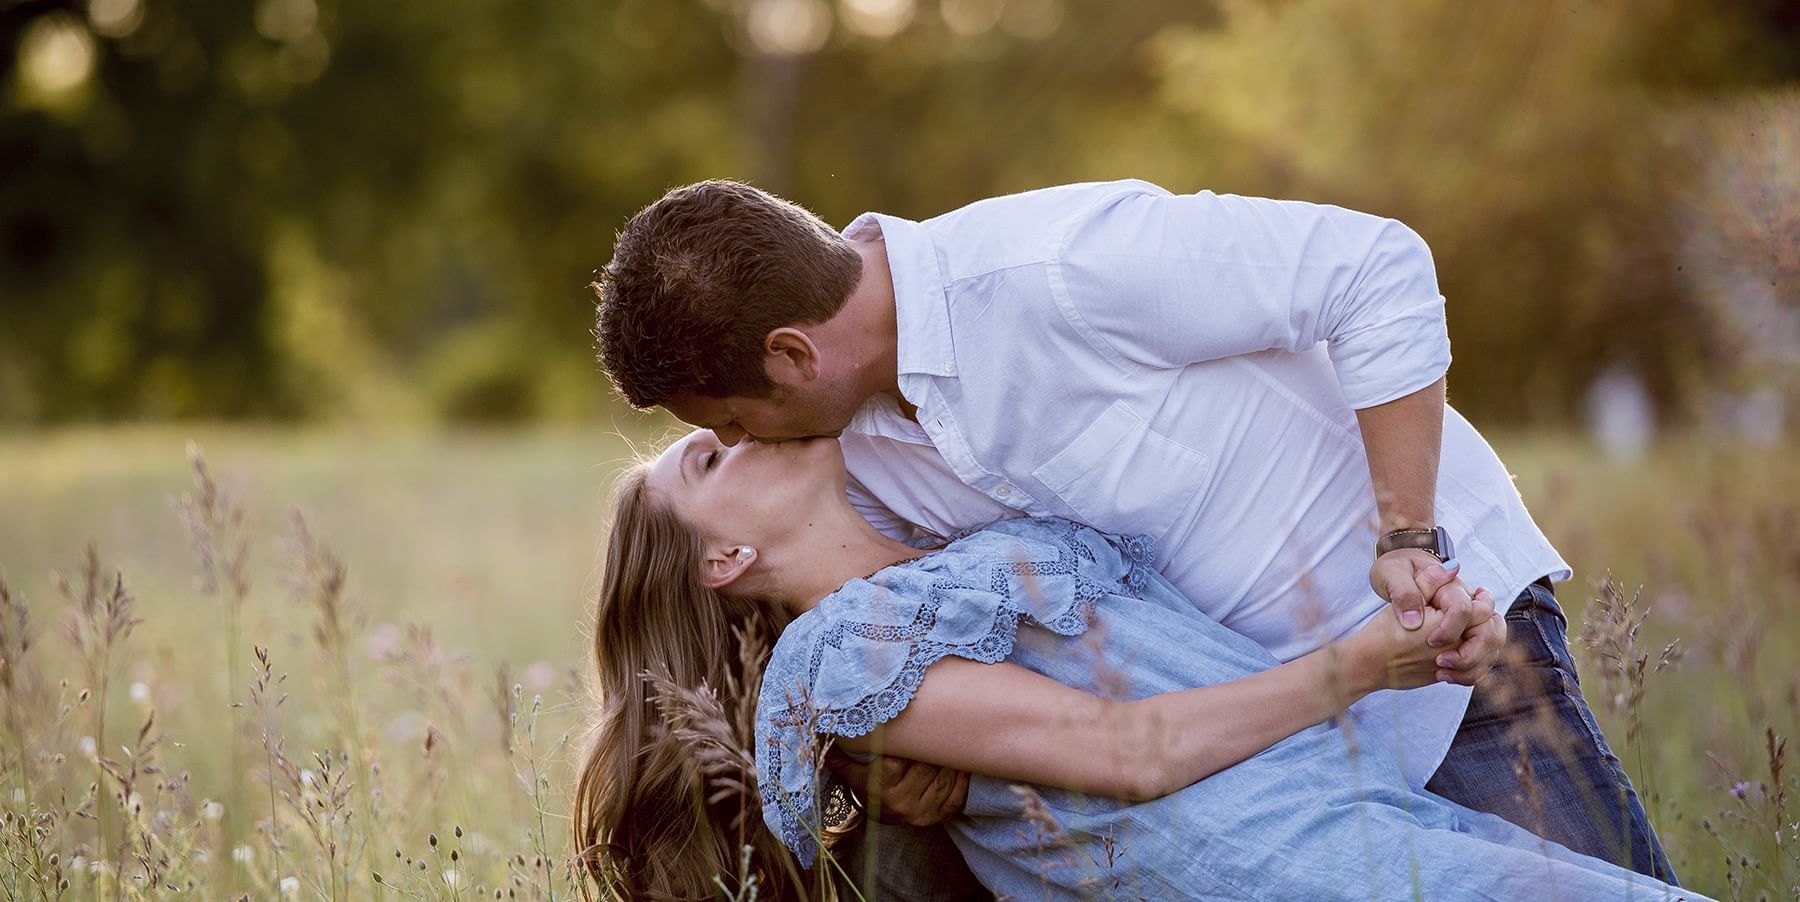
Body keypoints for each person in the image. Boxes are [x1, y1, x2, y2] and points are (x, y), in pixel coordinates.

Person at [592, 179, 1676, 893]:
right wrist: (886, 768)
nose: (745, 442)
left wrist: (1404, 530)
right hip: (1256, 749)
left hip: (1431, 639)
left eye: (730, 423)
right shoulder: (844, 457)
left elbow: (1375, 268)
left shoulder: (1054, 268)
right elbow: (897, 645)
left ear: (789, 354)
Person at [570, 430, 1699, 901]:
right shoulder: (834, 656)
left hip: (1358, 814)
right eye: (710, 453)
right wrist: (1361, 663)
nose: (738, 426)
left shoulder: (956, 544)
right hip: (1279, 869)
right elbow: (1130, 748)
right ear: (723, 557)